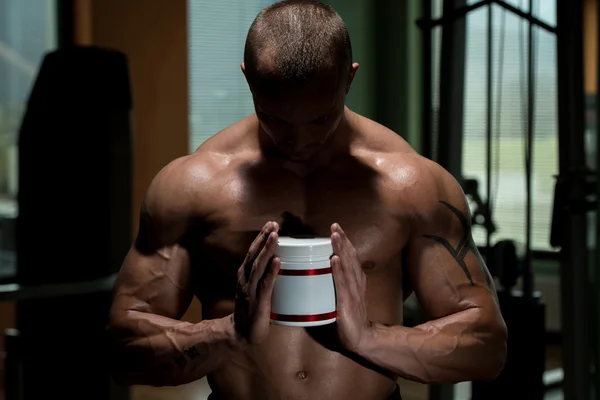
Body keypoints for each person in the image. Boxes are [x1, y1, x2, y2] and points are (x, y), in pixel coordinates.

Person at [106, 1, 507, 399]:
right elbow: (122, 348)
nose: (299, 142)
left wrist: (367, 339)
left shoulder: (411, 184)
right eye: (275, 118)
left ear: (348, 80)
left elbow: (486, 345)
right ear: (249, 81)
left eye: (320, 119)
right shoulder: (191, 186)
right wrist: (230, 331)